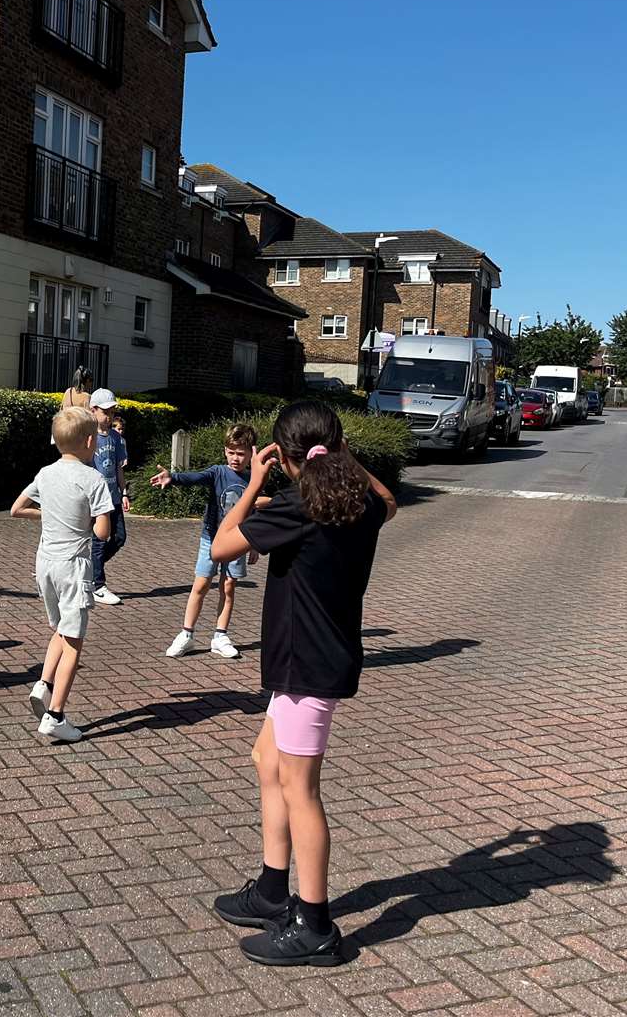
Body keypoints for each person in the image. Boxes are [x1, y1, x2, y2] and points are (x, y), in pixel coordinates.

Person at [207, 400, 397, 967]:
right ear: (337, 449)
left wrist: (252, 482)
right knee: (266, 760)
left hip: (305, 668)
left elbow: (222, 545)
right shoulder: (359, 503)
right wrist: (339, 457)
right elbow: (390, 501)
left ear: (285, 459)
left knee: (301, 791)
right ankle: (271, 890)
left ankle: (315, 925)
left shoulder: (297, 506)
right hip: (317, 661)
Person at [10, 407, 114, 743]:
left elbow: (17, 509)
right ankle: (55, 715)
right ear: (88, 441)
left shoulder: (44, 473)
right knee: (74, 643)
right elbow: (102, 533)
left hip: (45, 564)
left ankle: (43, 684)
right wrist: (84, 521)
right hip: (73, 566)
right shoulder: (93, 479)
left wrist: (48, 515)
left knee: (59, 629)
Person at [150, 422, 265, 659]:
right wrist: (172, 477)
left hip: (238, 541)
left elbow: (254, 510)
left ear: (251, 453)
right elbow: (195, 477)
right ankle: (186, 634)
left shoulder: (254, 479)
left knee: (228, 586)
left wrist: (253, 543)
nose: (235, 458)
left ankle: (220, 636)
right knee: (201, 585)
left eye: (241, 453)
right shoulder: (217, 472)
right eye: (231, 452)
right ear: (225, 451)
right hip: (211, 538)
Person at [87, 388, 128, 606]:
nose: (109, 416)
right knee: (99, 540)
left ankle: (91, 569)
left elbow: (119, 469)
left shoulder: (116, 438)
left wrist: (124, 492)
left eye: (112, 412)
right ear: (93, 410)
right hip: (96, 500)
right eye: (105, 412)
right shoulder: (87, 437)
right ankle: (98, 584)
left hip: (113, 497)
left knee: (119, 537)